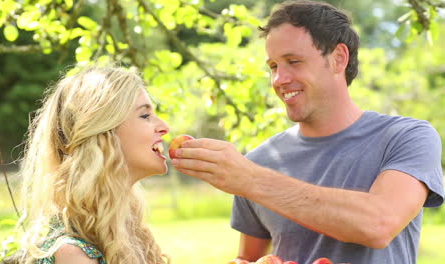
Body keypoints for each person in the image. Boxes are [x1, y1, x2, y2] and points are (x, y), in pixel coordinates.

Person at [171, 1, 444, 263]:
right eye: (274, 66)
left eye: (294, 61)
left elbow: (379, 223)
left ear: (338, 58)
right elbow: (250, 259)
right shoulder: (258, 161)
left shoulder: (406, 137)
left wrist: (249, 178)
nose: (279, 79)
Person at [12, 65, 170, 264]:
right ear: (104, 132)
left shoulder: (128, 234)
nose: (165, 127)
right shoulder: (74, 254)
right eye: (145, 116)